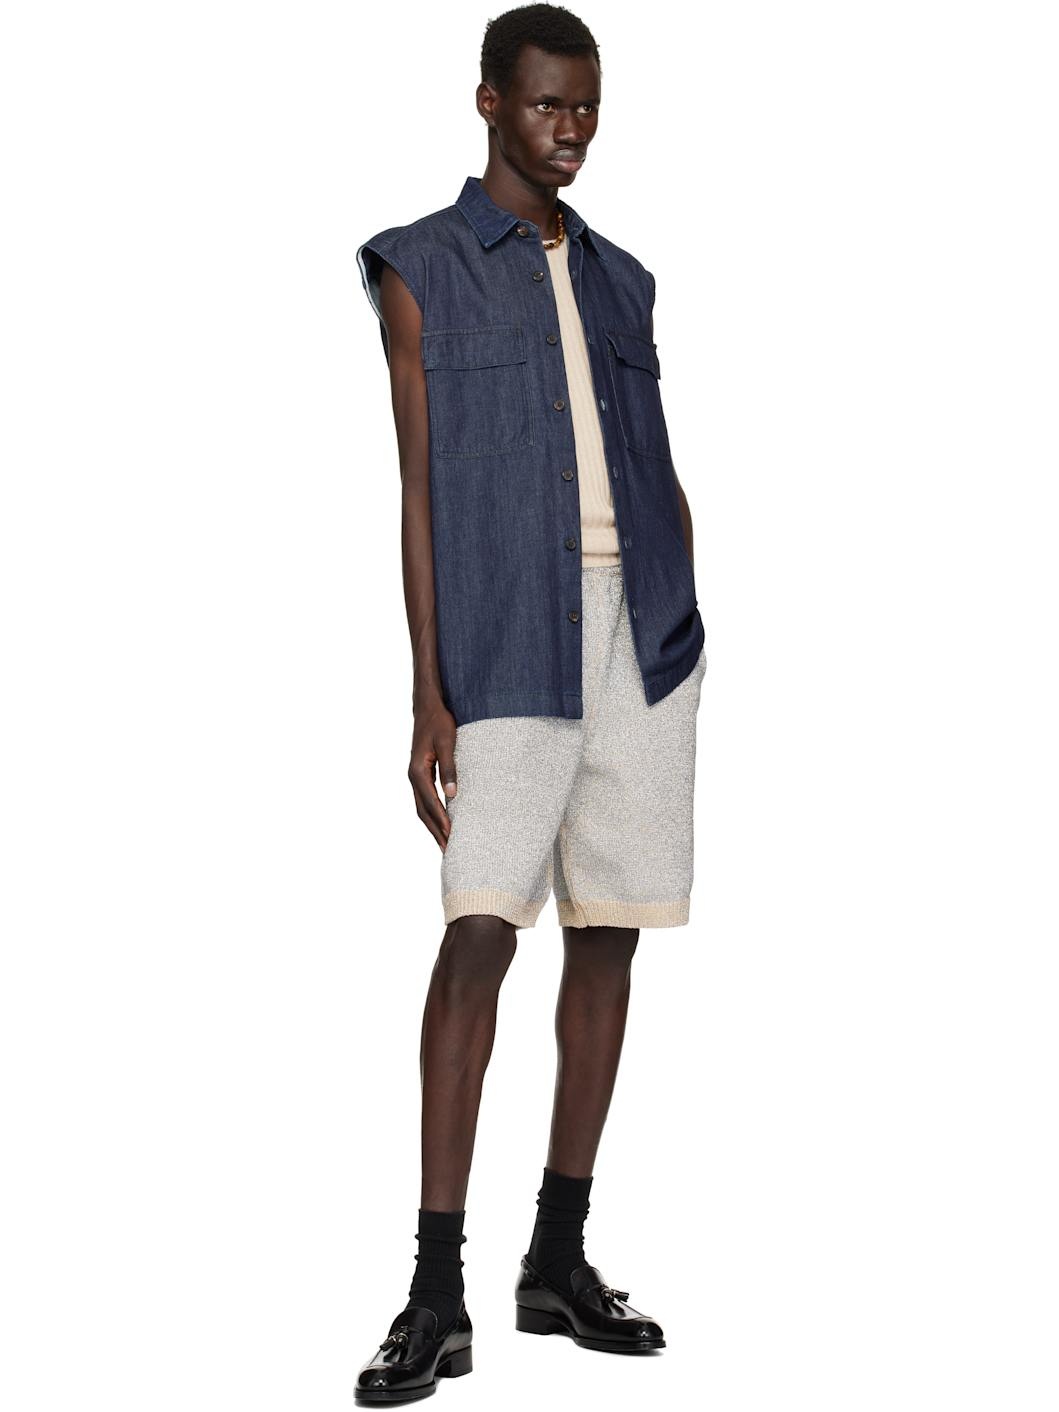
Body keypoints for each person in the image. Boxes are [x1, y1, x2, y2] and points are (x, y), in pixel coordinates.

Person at [353, 4, 707, 1400]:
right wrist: (427, 691)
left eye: (589, 106)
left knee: (610, 937)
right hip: (506, 632)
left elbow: (657, 460)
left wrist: (686, 616)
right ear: (490, 101)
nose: (573, 130)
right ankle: (434, 1288)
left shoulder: (625, 279)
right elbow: (418, 489)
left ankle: (558, 1258)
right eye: (549, 104)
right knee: (478, 936)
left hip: (643, 639)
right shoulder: (421, 269)